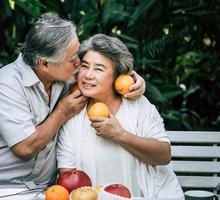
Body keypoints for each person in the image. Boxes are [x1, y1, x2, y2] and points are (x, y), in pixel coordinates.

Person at [0, 13, 145, 193]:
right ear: (44, 64)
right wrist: (62, 112)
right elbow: (25, 148)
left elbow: (102, 76)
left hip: (44, 191)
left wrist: (135, 81)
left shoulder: (62, 74)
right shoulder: (6, 84)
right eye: (72, 59)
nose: (79, 63)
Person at [57, 34, 184, 199]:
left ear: (118, 76)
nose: (88, 75)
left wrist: (119, 134)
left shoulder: (138, 106)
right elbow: (68, 179)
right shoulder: (73, 114)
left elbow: (164, 155)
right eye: (85, 66)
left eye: (99, 69)